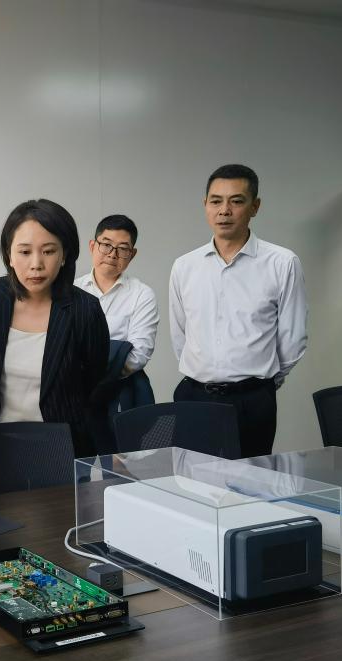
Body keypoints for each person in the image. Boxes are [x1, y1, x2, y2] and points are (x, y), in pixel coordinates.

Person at [169, 164, 308, 457]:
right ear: (205, 205)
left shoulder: (282, 263)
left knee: (251, 480)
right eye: (216, 201)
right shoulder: (184, 266)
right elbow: (180, 334)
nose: (224, 211)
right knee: (190, 479)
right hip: (193, 397)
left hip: (252, 401)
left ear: (255, 207)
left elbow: (293, 338)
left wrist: (260, 383)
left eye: (236, 201)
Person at [0, 199, 110, 456]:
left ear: (64, 255)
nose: (36, 264)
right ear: (9, 255)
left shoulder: (85, 310)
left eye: (48, 251)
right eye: (24, 252)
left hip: (59, 444)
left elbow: (92, 378)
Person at [75, 213, 159, 417]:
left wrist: (90, 372)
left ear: (132, 254)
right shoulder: (71, 290)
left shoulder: (142, 294)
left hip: (122, 392)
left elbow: (139, 353)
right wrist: (116, 351)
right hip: (74, 392)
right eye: (106, 245)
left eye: (122, 248)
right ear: (92, 246)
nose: (113, 254)